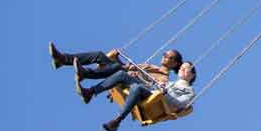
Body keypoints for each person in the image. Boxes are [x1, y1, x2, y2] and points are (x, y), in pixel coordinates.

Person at [80, 58, 198, 131]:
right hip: (150, 93)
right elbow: (152, 87)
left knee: (137, 87)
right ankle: (91, 92)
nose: (182, 70)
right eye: (182, 68)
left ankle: (117, 121)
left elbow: (180, 104)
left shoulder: (190, 91)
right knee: (122, 74)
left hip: (159, 104)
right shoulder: (170, 83)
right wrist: (137, 77)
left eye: (186, 69)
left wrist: (164, 93)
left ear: (192, 75)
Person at [49, 43, 181, 83]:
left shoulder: (164, 77)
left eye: (168, 56)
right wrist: (117, 58)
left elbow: (151, 87)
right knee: (99, 55)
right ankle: (63, 60)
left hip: (128, 81)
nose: (164, 55)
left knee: (116, 66)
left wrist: (135, 75)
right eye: (165, 54)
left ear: (174, 63)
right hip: (123, 71)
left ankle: (84, 73)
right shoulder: (152, 66)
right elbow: (128, 67)